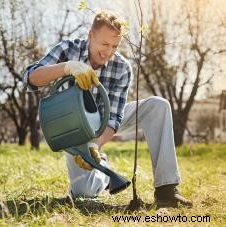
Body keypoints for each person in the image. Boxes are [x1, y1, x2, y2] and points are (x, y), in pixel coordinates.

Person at [22, 10, 192, 207]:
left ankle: (166, 190)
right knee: (83, 193)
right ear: (90, 35)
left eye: (115, 46)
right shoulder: (68, 49)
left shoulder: (122, 67)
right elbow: (30, 78)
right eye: (104, 44)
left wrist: (96, 145)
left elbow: (114, 117)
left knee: (158, 106)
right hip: (75, 128)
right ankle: (103, 170)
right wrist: (66, 67)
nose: (109, 51)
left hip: (104, 121)